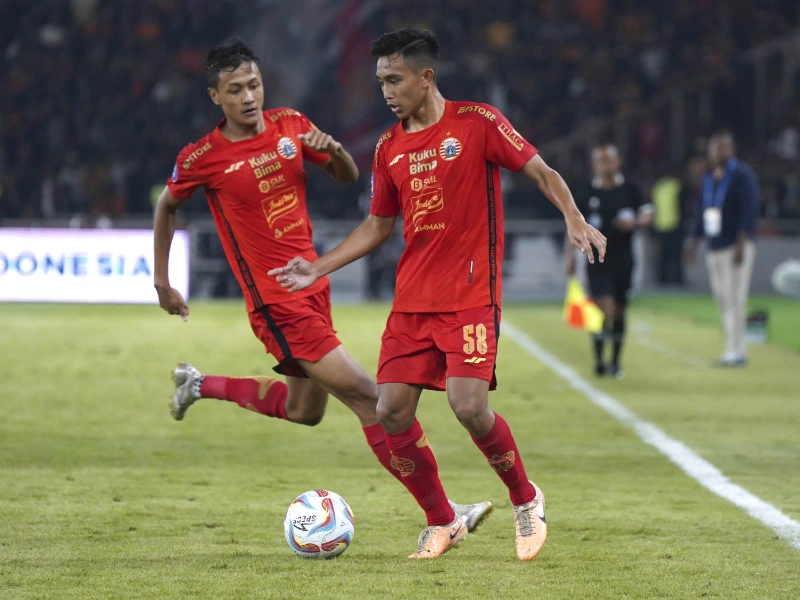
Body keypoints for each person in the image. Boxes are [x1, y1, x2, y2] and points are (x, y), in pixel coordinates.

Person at [269, 29, 606, 560]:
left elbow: (542, 171)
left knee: (468, 406)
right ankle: (442, 521)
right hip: (412, 303)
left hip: (471, 296)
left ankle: (525, 498)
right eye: (381, 81)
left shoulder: (477, 123)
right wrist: (317, 267)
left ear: (426, 77)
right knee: (391, 411)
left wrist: (574, 217)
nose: (386, 91)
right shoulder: (388, 147)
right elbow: (378, 226)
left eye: (395, 80)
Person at [152, 39, 490, 530]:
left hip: (314, 289)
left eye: (254, 85)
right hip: (277, 303)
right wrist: (162, 282)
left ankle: (199, 384)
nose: (248, 97)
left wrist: (335, 152)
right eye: (235, 90)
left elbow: (346, 176)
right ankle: (444, 514)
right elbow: (167, 205)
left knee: (303, 409)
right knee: (371, 399)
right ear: (215, 97)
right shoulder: (203, 156)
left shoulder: (290, 124)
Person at [567, 144, 652, 378]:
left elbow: (647, 214)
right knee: (603, 307)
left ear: (618, 162)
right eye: (601, 160)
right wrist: (570, 256)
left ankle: (614, 362)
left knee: (620, 310)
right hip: (596, 260)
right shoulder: (586, 192)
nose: (605, 165)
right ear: (594, 165)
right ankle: (598, 360)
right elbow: (573, 225)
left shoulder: (630, 189)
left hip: (624, 258)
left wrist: (635, 222)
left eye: (609, 159)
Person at [686, 132, 759, 367]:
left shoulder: (742, 175)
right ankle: (731, 348)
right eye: (716, 148)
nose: (720, 152)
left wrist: (741, 242)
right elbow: (702, 211)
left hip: (735, 245)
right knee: (722, 298)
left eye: (724, 147)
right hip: (714, 245)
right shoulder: (709, 177)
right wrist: (694, 241)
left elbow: (749, 210)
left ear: (732, 150)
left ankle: (737, 351)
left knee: (736, 298)